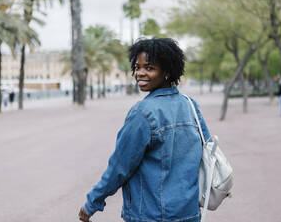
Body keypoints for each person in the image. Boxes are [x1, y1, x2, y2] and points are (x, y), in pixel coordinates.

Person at [79, 38, 212, 222]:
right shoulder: (190, 105)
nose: (140, 73)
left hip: (152, 215)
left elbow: (120, 166)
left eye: (149, 68)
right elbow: (207, 149)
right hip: (189, 213)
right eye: (137, 67)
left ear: (167, 72)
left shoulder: (142, 113)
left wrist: (92, 202)